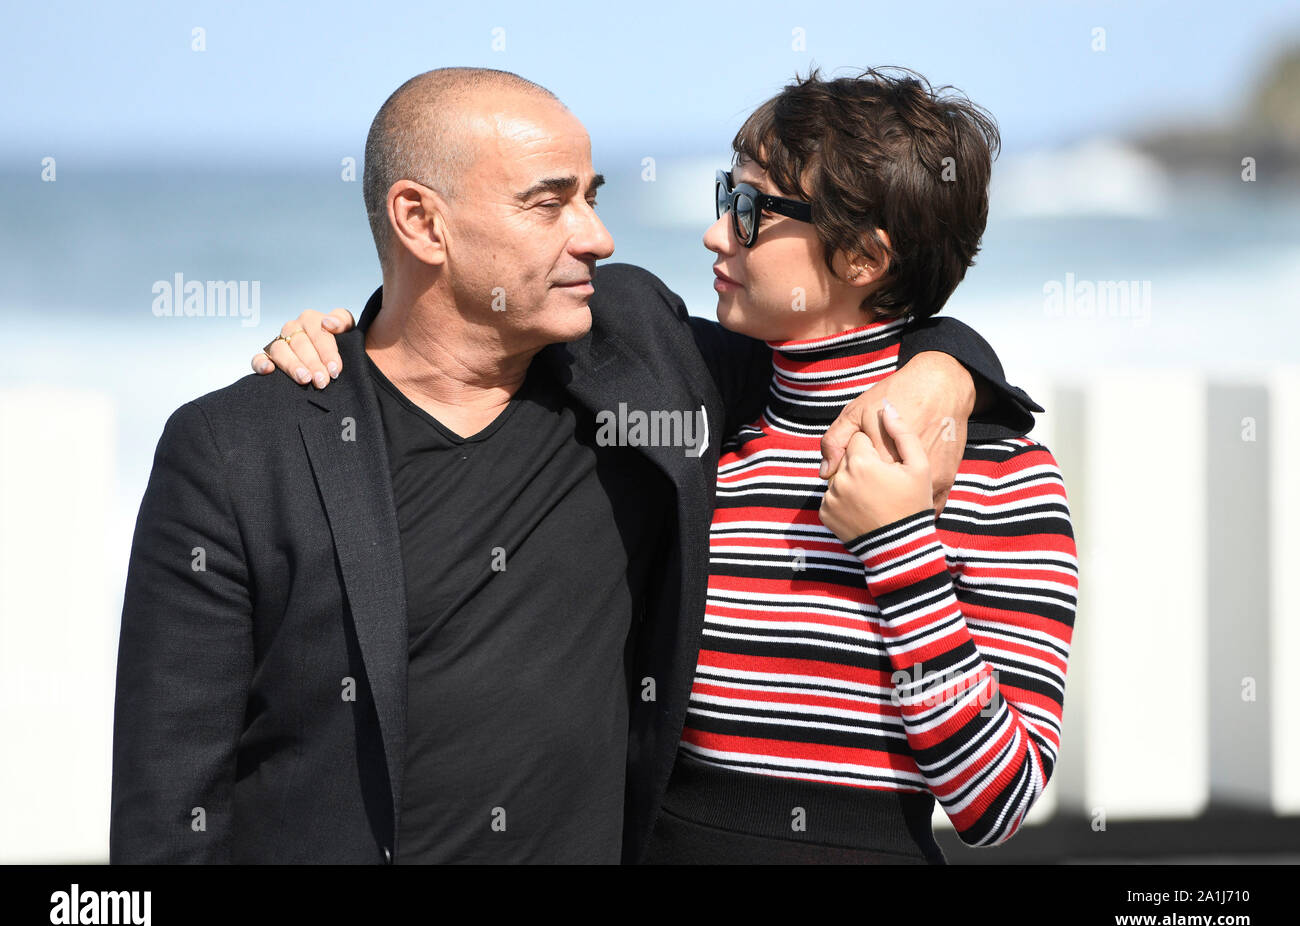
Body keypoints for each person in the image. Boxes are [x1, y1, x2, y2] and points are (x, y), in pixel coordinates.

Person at [112, 67, 1038, 865]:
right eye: (550, 202)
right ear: (420, 223)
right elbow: (167, 814)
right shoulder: (241, 450)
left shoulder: (649, 367)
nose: (598, 237)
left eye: (592, 195)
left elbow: (852, 337)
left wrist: (943, 375)